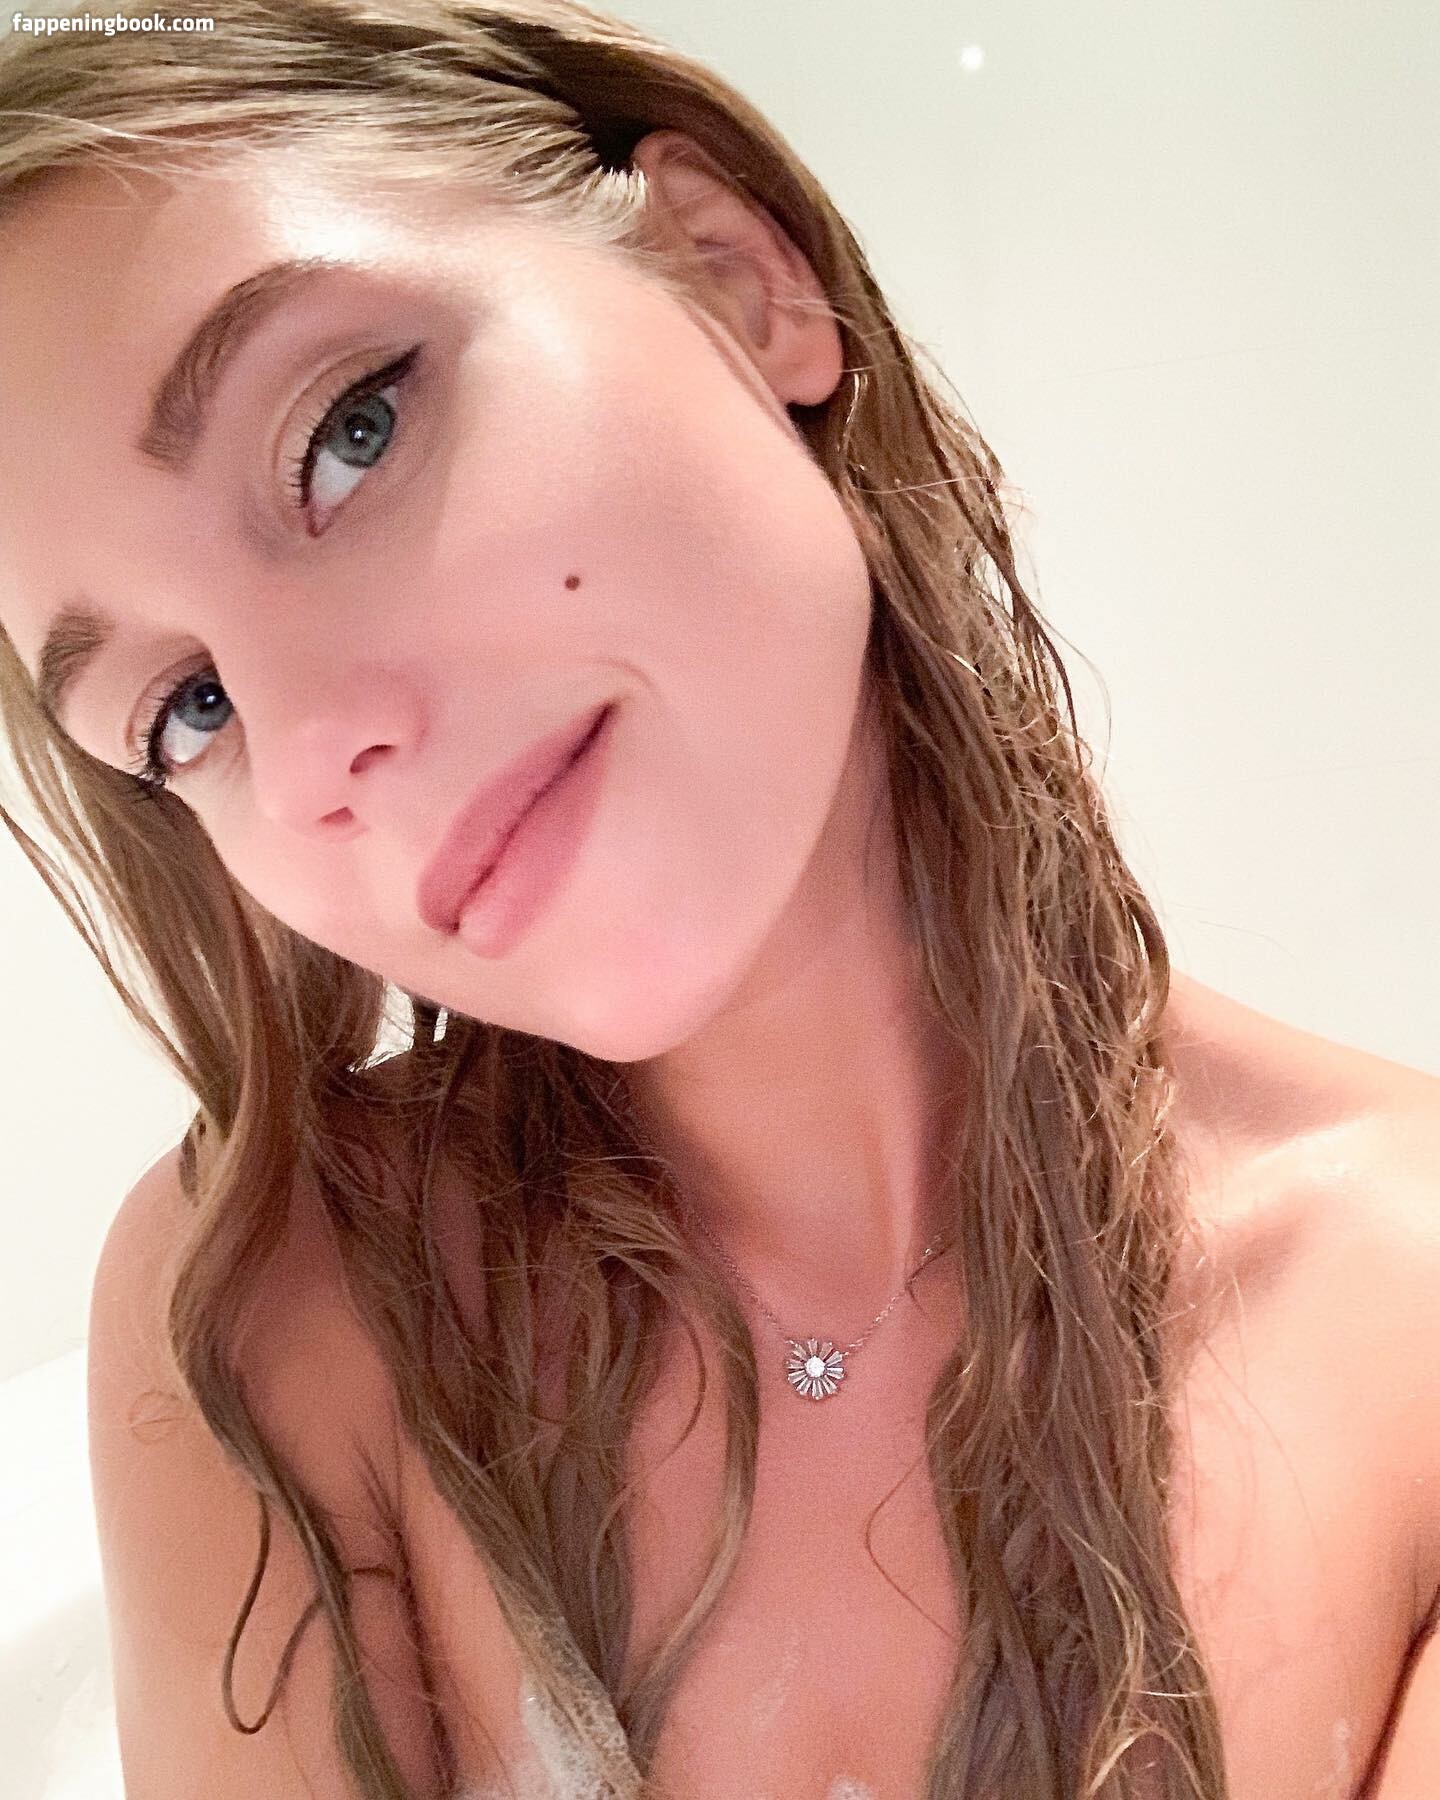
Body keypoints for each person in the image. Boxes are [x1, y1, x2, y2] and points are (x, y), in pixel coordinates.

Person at [0, 2, 1435, 1795]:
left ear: (735, 276)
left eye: (349, 432)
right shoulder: (276, 1313)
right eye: (187, 710)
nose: (306, 755)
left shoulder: (1403, 1314)